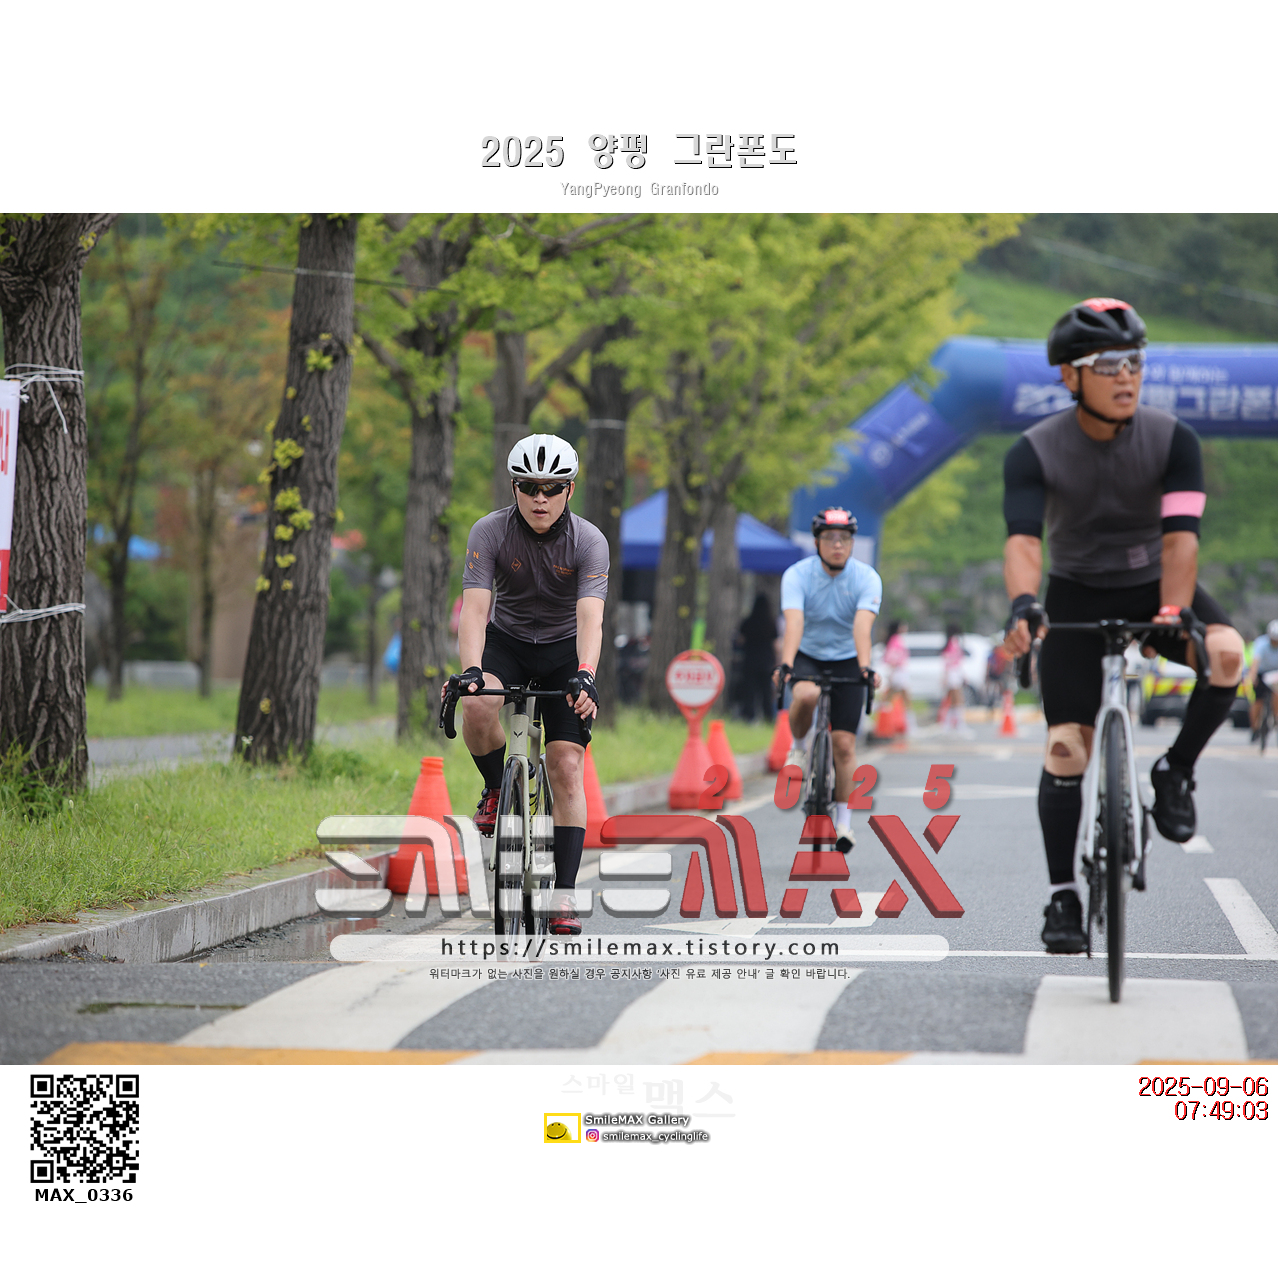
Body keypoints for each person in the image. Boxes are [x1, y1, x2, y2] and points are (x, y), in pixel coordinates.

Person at [1002, 298, 1246, 954]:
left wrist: (1172, 609)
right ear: (1069, 375)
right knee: (1066, 748)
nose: (1126, 375)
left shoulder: (1174, 440)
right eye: (1107, 363)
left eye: (1134, 361)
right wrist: (1024, 604)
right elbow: (1023, 539)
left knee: (1227, 654)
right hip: (1075, 594)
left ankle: (1176, 772)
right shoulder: (1034, 451)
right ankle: (1062, 897)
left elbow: (1181, 536)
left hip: (1158, 587)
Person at [451, 433, 608, 936]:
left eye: (552, 488)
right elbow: (475, 610)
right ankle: (498, 786)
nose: (541, 498)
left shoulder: (588, 541)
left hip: (566, 651)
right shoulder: (489, 531)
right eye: (529, 487)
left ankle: (565, 893)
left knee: (565, 765)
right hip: (510, 643)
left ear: (569, 489)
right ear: (514, 488)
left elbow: (591, 616)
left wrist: (586, 672)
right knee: (477, 705)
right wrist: (472, 671)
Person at [774, 507, 882, 852]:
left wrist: (865, 667)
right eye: (830, 538)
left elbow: (862, 626)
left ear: (852, 544)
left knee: (845, 746)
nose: (838, 545)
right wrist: (786, 663)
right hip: (808, 654)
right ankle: (798, 747)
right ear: (817, 542)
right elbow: (794, 622)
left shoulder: (867, 578)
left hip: (849, 658)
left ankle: (844, 825)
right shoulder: (797, 575)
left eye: (845, 539)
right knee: (806, 696)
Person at [737, 593, 779, 723]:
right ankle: (768, 716)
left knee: (749, 690)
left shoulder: (748, 621)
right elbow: (775, 644)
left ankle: (748, 716)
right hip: (766, 661)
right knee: (766, 691)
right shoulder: (771, 623)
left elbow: (740, 640)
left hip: (750, 660)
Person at [938, 623, 971, 735]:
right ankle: (959, 725)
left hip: (954, 673)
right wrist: (947, 676)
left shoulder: (951, 642)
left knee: (953, 701)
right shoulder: (954, 642)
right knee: (958, 700)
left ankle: (947, 725)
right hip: (953, 674)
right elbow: (951, 661)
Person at [1247, 620, 1278, 737]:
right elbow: (1255, 662)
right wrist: (1252, 677)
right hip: (1262, 672)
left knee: (1276, 693)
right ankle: (1254, 727)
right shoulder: (1261, 643)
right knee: (1258, 700)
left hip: (1275, 674)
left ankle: (1276, 716)